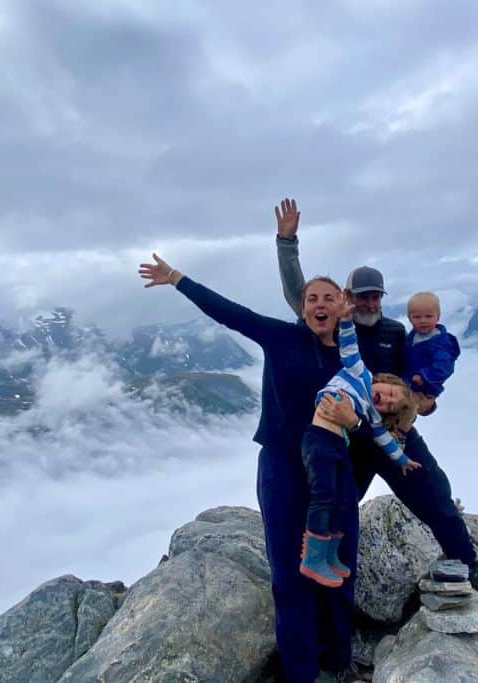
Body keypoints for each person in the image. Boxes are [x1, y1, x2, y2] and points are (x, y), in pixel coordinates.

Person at [138, 252, 363, 682]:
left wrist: (356, 421)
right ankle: (301, 672)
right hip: (283, 467)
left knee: (340, 564)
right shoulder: (280, 336)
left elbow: (373, 410)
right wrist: (177, 279)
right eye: (312, 297)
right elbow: (229, 313)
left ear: (342, 306)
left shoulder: (354, 359)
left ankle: (339, 661)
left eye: (329, 298)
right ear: (302, 308)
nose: (320, 304)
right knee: (289, 573)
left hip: (335, 469)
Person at [274, 197, 478, 601]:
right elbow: (300, 294)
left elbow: (413, 379)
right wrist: (286, 243)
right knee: (333, 510)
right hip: (348, 437)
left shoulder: (396, 331)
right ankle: (317, 585)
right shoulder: (332, 324)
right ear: (348, 296)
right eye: (361, 296)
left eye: (375, 296)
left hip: (392, 435)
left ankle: (468, 563)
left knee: (435, 493)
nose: (368, 303)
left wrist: (426, 401)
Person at [300, 299, 420, 588]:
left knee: (341, 498)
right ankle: (312, 558)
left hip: (336, 444)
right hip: (319, 439)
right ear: (383, 380)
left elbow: (387, 443)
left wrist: (403, 460)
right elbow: (349, 345)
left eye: (391, 405)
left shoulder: (372, 417)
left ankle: (329, 555)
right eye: (390, 391)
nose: (387, 399)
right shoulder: (359, 373)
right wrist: (344, 320)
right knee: (324, 495)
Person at [404, 291, 461, 412]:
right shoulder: (412, 337)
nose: (423, 320)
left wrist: (424, 376)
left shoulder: (442, 342)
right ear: (409, 318)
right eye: (417, 317)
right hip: (409, 382)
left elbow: (445, 367)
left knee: (409, 411)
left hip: (426, 386)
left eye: (428, 316)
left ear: (438, 317)